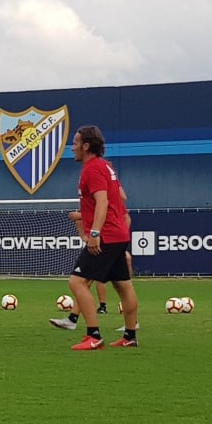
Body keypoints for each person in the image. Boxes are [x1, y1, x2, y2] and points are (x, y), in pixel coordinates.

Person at [64, 125, 140, 350]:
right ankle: (130, 336)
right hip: (118, 233)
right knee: (123, 285)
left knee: (77, 282)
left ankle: (93, 336)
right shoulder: (106, 166)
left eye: (76, 143)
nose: (73, 148)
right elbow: (115, 199)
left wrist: (94, 233)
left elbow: (103, 201)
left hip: (105, 235)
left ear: (86, 146)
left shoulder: (93, 169)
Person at [51, 202, 138, 332]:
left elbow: (125, 217)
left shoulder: (104, 197)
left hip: (108, 240)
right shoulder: (96, 201)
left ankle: (90, 330)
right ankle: (130, 329)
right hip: (110, 240)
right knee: (114, 283)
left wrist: (82, 219)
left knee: (81, 281)